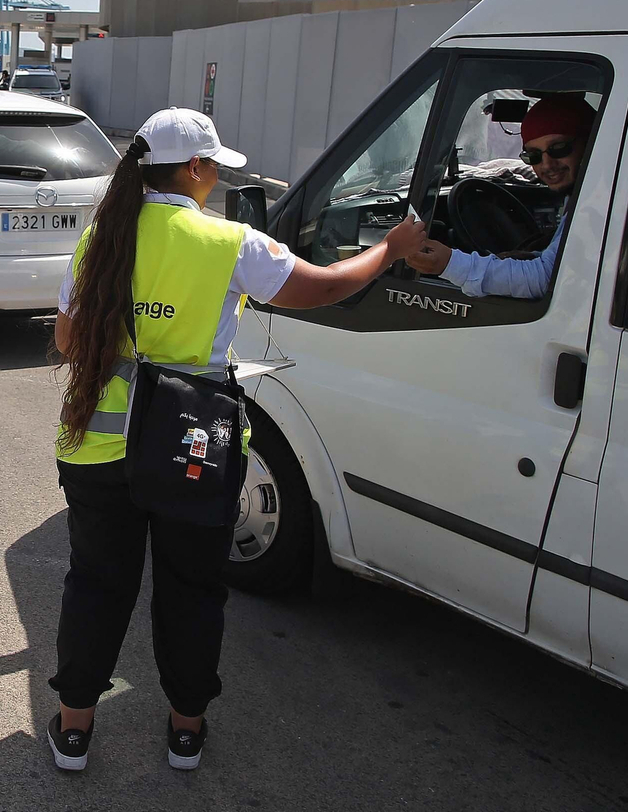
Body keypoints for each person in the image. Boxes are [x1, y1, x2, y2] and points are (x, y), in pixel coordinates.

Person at [47, 107, 426, 773]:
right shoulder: (229, 242)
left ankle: (74, 730)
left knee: (97, 586)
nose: (217, 178)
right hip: (191, 447)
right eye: (214, 167)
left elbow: (68, 340)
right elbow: (325, 287)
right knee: (191, 590)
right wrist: (390, 250)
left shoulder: (101, 237)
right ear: (194, 167)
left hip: (98, 450)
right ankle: (185, 733)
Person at [406, 94, 595, 297]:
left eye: (559, 149)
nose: (547, 165)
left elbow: (548, 278)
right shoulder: (581, 196)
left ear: (589, 144)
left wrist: (450, 264)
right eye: (533, 156)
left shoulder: (598, 204)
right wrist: (531, 255)